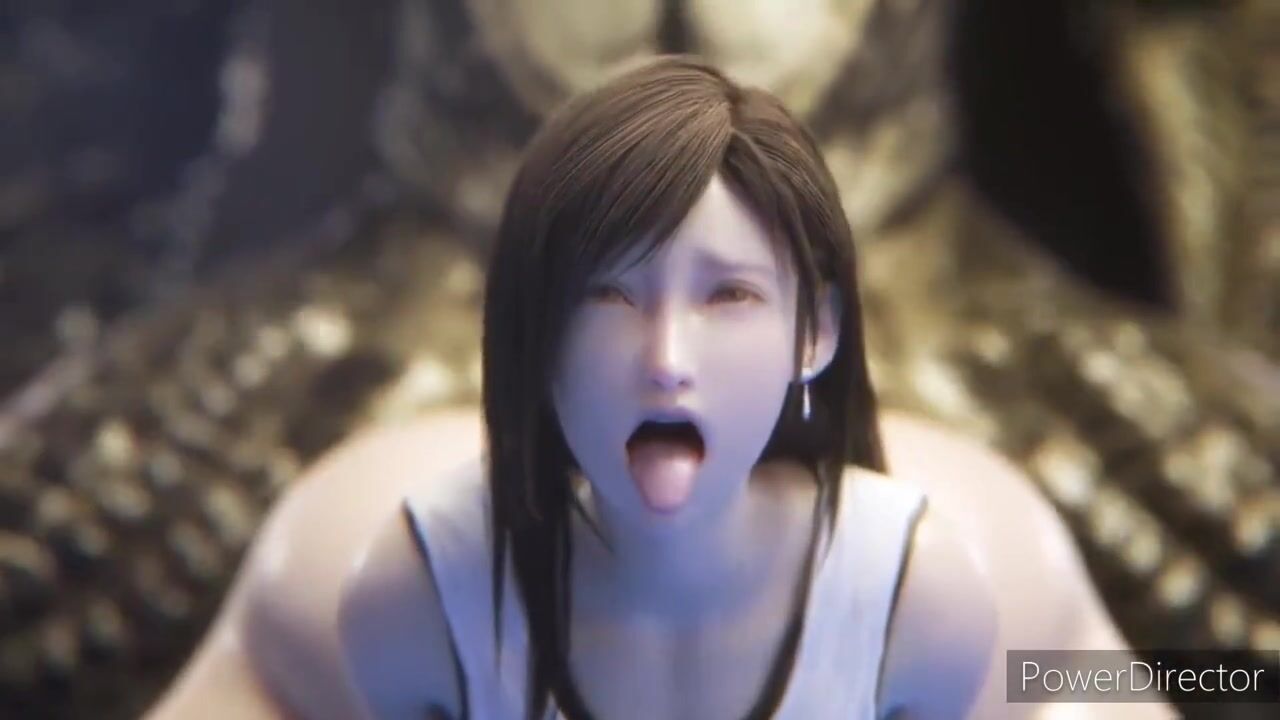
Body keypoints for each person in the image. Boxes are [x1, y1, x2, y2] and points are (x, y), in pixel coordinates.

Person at [145, 56, 1170, 719]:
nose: (665, 356)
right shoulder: (393, 597)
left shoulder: (943, 597)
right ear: (532, 325)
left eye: (728, 295)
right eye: (606, 297)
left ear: (814, 331)